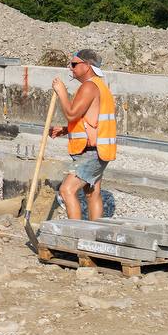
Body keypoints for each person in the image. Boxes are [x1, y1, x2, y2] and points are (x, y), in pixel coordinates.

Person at [48, 49, 116, 220]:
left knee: (67, 190)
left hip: (92, 152)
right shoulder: (99, 86)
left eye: (74, 64)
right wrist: (66, 130)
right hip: (98, 149)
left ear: (86, 66)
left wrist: (62, 92)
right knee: (92, 193)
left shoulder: (89, 86)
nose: (71, 68)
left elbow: (72, 114)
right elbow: (90, 120)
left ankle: (74, 235)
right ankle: (93, 236)